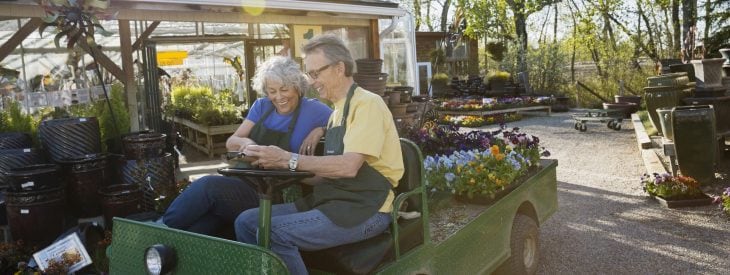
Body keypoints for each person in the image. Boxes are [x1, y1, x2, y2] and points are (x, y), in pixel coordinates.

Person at [235, 34, 404, 274]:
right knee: (247, 221)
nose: (312, 82)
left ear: (339, 68)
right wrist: (278, 167)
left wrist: (287, 158)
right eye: (310, 75)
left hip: (368, 209)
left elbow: (348, 167)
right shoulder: (335, 113)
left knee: (274, 231)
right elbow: (323, 176)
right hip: (332, 200)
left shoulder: (367, 104)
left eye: (315, 73)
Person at [162, 56, 332, 236]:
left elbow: (346, 123)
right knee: (205, 225)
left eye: (284, 89)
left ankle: (161, 227)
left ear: (297, 87)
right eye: (272, 91)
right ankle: (161, 248)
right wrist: (247, 144)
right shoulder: (261, 106)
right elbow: (231, 143)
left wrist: (321, 129)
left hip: (276, 191)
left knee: (207, 186)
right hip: (247, 180)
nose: (278, 97)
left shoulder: (314, 110)